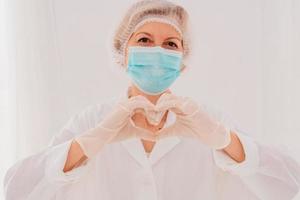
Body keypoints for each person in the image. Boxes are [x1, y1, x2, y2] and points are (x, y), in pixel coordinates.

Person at [3, 0, 300, 199]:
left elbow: (290, 185)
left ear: (183, 58)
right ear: (123, 50)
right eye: (144, 40)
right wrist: (88, 144)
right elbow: (15, 188)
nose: (157, 51)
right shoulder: (93, 121)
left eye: (170, 44)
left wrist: (225, 141)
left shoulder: (207, 122)